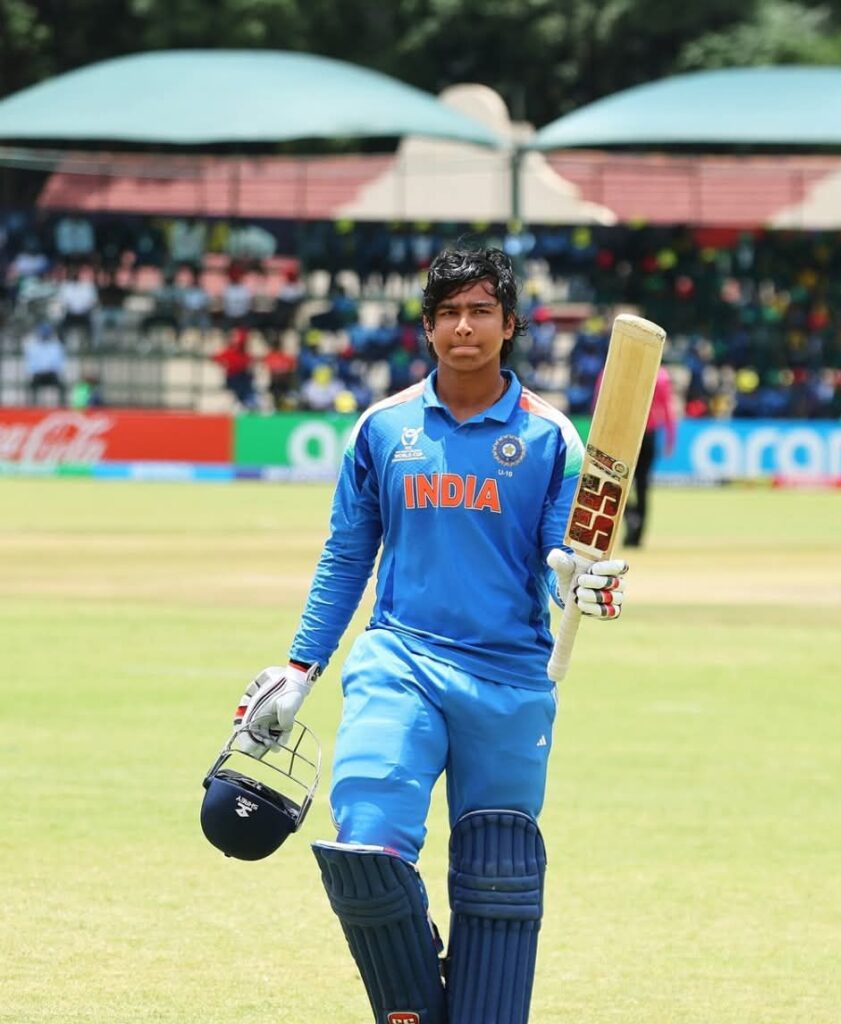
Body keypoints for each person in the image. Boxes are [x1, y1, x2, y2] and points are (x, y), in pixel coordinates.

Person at [228, 246, 633, 1024]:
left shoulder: (551, 438)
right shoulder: (383, 428)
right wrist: (300, 667)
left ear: (509, 325)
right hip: (400, 660)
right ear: (426, 326)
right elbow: (347, 553)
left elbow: (565, 557)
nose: (463, 327)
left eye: (481, 311)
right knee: (364, 845)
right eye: (448, 312)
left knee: (496, 872)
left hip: (510, 680)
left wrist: (582, 586)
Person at [622, 364, 677, 547]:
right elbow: (667, 409)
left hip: (627, 434)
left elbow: (599, 403)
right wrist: (670, 439)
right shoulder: (661, 375)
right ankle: (637, 537)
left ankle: (630, 516)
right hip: (649, 434)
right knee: (643, 485)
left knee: (618, 483)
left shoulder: (623, 368)